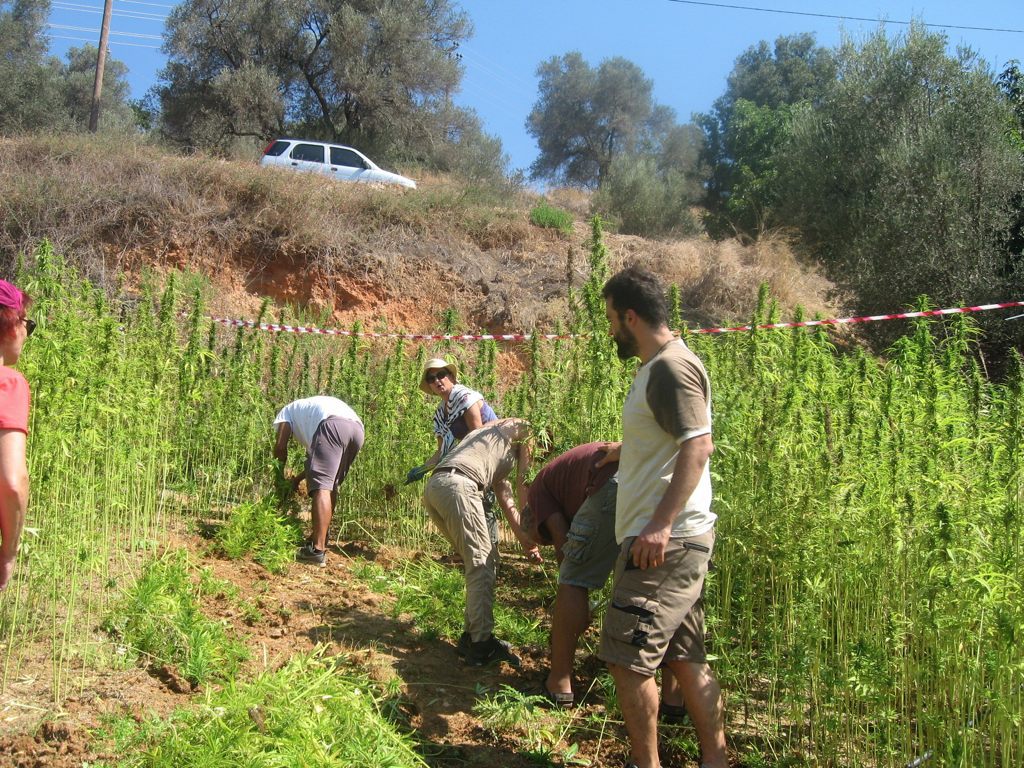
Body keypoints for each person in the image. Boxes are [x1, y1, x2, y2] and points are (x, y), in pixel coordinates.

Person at [598, 267, 727, 768]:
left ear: (631, 316)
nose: (610, 330)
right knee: (686, 658)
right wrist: (625, 450)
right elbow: (672, 444)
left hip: (662, 545)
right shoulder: (659, 367)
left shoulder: (672, 367)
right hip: (672, 541)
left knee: (627, 661)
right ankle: (715, 761)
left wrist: (658, 525)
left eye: (612, 319)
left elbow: (698, 446)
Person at [525, 442, 686, 719]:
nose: (545, 540)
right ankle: (674, 699)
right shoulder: (564, 478)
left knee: (573, 580)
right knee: (657, 589)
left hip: (613, 483)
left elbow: (565, 549)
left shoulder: (538, 492)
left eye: (541, 536)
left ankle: (559, 681)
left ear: (532, 519)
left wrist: (577, 608)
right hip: (652, 482)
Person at [421, 418, 541, 666]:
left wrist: (526, 541)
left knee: (483, 561)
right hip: (460, 486)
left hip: (438, 486)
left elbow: (505, 495)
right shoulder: (529, 431)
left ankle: (471, 636)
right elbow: (523, 485)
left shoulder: (496, 435)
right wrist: (534, 526)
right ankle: (481, 645)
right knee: (482, 564)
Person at [407, 358, 501, 545]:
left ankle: (493, 558)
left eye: (441, 375)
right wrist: (423, 469)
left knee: (488, 504)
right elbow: (441, 452)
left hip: (492, 452)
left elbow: (477, 434)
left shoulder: (464, 396)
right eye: (431, 379)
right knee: (475, 507)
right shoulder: (441, 414)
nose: (437, 381)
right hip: (473, 459)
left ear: (451, 377)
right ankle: (478, 555)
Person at [273, 396, 364, 567]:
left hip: (332, 425)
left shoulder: (285, 413)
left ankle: (316, 550)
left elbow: (280, 447)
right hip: (357, 429)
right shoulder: (309, 416)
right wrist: (297, 480)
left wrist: (278, 478)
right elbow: (314, 465)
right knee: (330, 485)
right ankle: (321, 537)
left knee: (322, 487)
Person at [0, 281, 32, 591]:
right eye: (27, 324)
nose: (26, 334)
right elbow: (12, 482)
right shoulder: (8, 383)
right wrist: (9, 551)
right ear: (11, 325)